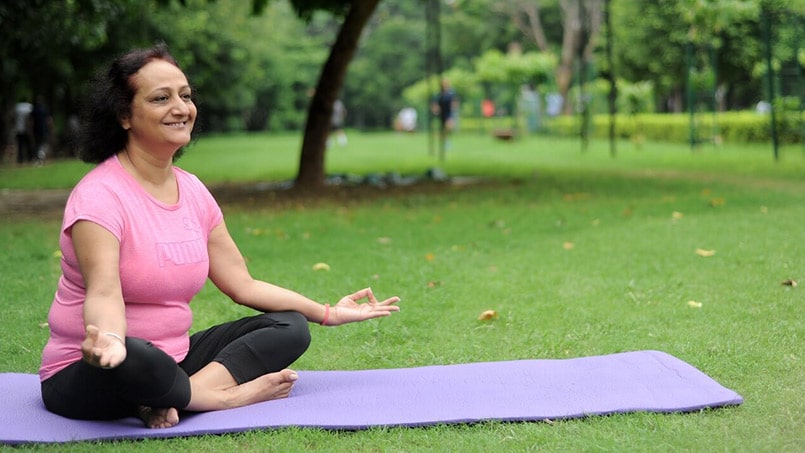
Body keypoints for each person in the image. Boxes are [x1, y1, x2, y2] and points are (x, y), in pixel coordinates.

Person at [39, 44, 400, 430]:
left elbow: (242, 284)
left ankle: (175, 396)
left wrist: (328, 313)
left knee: (290, 327)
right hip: (95, 368)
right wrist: (110, 340)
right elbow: (104, 291)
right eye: (161, 98)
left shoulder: (193, 192)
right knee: (138, 355)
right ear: (125, 115)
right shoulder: (99, 197)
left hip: (173, 359)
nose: (181, 108)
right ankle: (221, 397)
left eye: (185, 95)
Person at [430, 79, 458, 148]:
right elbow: (434, 103)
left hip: (449, 112)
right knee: (443, 128)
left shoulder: (451, 93)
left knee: (449, 126)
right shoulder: (439, 94)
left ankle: (444, 140)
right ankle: (445, 141)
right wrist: (435, 109)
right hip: (441, 113)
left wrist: (454, 107)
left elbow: (454, 101)